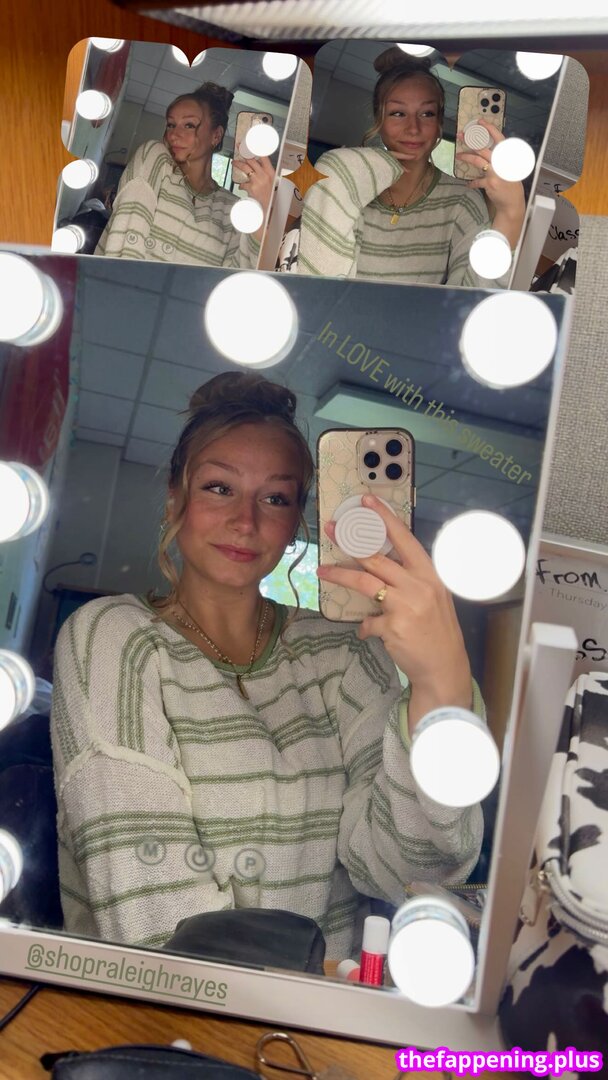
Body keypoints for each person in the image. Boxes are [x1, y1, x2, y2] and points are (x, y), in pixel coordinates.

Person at [51, 371, 484, 959]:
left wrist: (440, 685)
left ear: (297, 520)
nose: (246, 521)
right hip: (170, 1009)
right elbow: (149, 918)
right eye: (219, 488)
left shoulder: (343, 652)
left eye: (275, 498)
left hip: (326, 1009)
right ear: (175, 496)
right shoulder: (113, 637)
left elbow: (406, 871)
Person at [296, 48, 526, 287]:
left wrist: (511, 213)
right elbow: (318, 285)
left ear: (439, 122)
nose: (413, 128)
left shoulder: (462, 200)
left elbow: (473, 294)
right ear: (378, 120)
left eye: (427, 114)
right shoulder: (349, 184)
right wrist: (338, 167)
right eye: (398, 113)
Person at [94, 83, 275, 268]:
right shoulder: (156, 159)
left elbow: (237, 276)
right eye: (171, 125)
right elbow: (124, 244)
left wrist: (263, 209)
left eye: (189, 125)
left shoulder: (234, 210)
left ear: (216, 135)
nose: (173, 135)